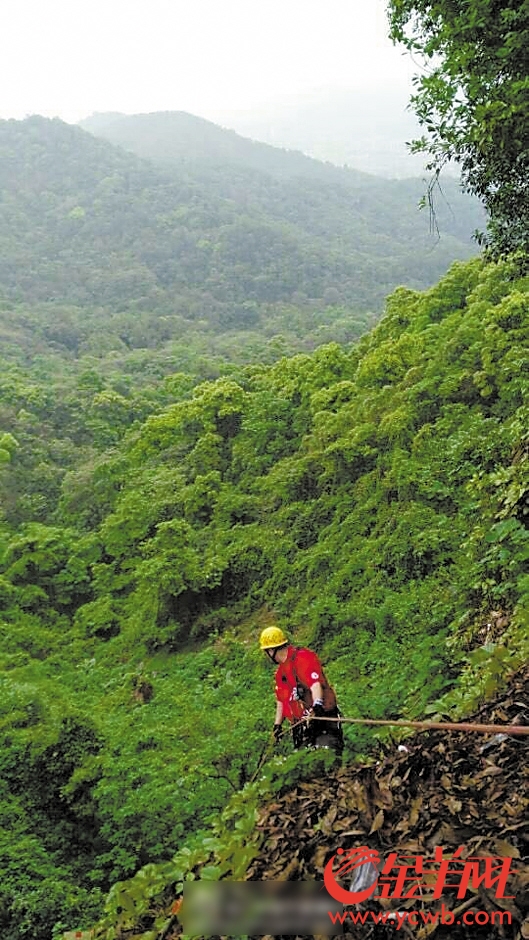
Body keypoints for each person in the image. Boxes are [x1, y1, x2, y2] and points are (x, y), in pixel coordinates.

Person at [259, 626, 343, 753]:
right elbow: (281, 701)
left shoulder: (303, 659)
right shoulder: (281, 673)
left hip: (321, 717)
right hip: (300, 725)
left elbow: (315, 684)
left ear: (271, 650)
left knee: (327, 755)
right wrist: (277, 726)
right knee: (305, 762)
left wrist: (317, 706)